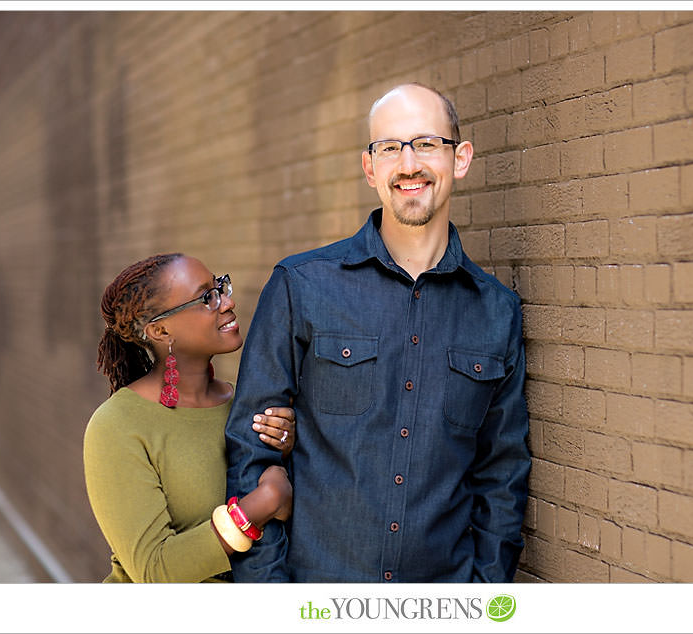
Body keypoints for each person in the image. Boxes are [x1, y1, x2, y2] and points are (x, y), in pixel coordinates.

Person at [225, 83, 530, 583]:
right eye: (390, 148)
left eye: (427, 143)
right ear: (370, 168)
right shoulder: (301, 286)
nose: (408, 164)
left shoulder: (496, 312)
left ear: (461, 159)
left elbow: (502, 474)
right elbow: (249, 453)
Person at [83, 253, 295, 582]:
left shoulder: (244, 403)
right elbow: (154, 570)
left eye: (220, 287)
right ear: (161, 331)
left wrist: (287, 449)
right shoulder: (118, 426)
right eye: (207, 297)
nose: (227, 302)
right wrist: (262, 503)